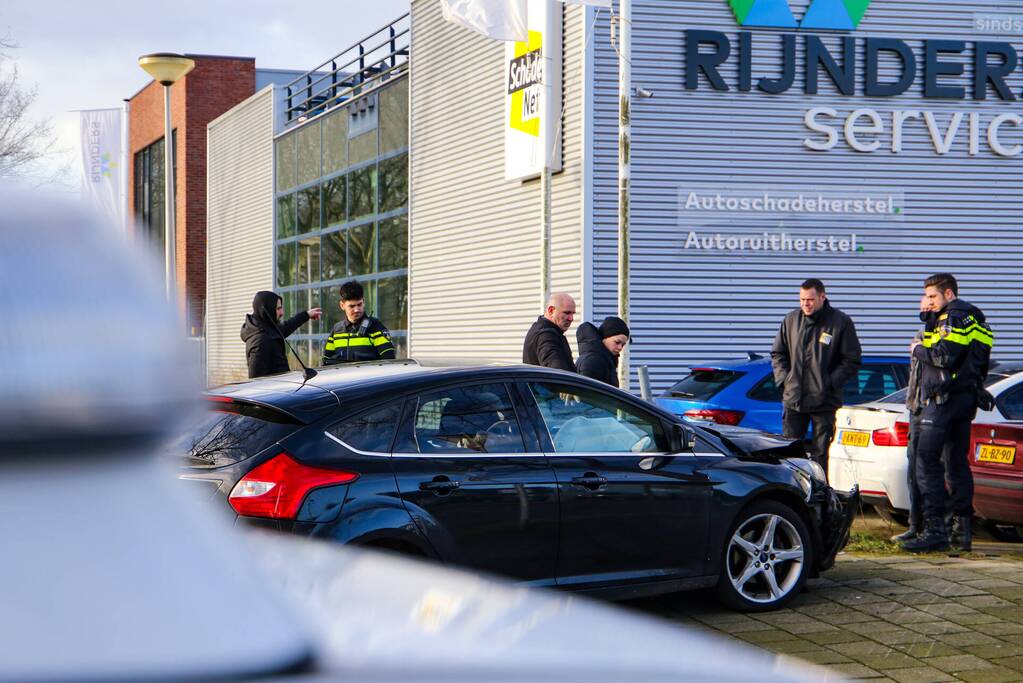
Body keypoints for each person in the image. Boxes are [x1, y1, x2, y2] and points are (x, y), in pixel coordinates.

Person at [902, 274, 993, 553]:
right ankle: (960, 531)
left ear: (949, 294)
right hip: (964, 398)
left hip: (943, 399)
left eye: (932, 297)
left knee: (926, 460)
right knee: (956, 464)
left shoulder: (951, 318)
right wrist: (927, 315)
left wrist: (918, 349)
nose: (928, 302)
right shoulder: (974, 318)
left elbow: (943, 356)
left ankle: (934, 530)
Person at [771, 279, 862, 476]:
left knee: (821, 455)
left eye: (810, 299)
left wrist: (829, 383)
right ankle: (793, 494)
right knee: (790, 453)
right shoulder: (791, 320)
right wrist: (785, 380)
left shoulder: (840, 322)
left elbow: (852, 359)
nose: (806, 304)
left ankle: (821, 499)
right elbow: (778, 354)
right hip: (794, 399)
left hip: (824, 401)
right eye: (802, 299)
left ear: (822, 297)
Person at [891, 295, 934, 544]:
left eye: (930, 306)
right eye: (922, 307)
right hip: (915, 408)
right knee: (914, 470)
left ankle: (934, 527)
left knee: (932, 471)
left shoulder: (944, 333)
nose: (925, 310)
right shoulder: (921, 333)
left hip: (933, 409)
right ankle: (915, 525)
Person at [241, 291, 322, 379]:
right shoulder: (261, 341)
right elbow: (256, 382)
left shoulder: (268, 330)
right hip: (276, 391)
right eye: (278, 308)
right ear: (266, 310)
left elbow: (287, 326)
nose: (282, 313)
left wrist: (307, 315)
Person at [322, 280, 396, 365]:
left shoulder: (376, 327)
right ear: (342, 305)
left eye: (359, 304)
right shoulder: (336, 330)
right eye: (352, 306)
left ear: (363, 302)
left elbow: (390, 362)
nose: (357, 310)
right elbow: (326, 362)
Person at [523, 293, 576, 372]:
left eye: (573, 313)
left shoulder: (542, 330)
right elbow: (559, 375)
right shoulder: (546, 336)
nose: (571, 318)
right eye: (567, 313)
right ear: (551, 311)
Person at [576, 316, 630, 387]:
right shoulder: (594, 361)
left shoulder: (603, 359)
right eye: (617, 342)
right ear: (604, 337)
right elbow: (587, 394)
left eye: (623, 345)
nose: (620, 348)